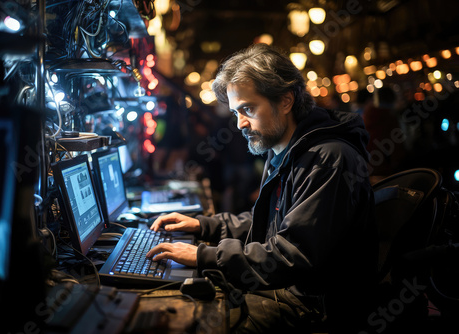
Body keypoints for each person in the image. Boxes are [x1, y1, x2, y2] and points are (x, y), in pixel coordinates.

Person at [146, 43, 378, 333]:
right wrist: (203, 226)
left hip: (315, 307)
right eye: (236, 112)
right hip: (288, 291)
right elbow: (269, 225)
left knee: (196, 324)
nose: (240, 123)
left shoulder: (329, 159)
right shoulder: (282, 147)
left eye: (248, 109)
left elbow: (293, 254)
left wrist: (205, 256)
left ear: (285, 100)